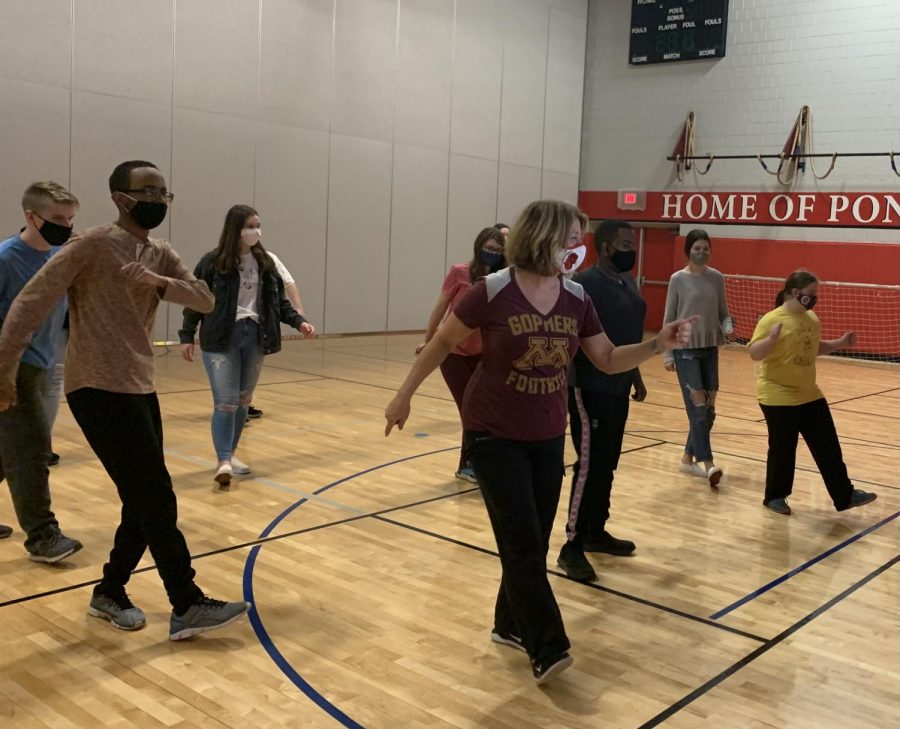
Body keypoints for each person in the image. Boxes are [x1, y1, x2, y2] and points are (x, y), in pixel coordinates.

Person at [385, 200, 694, 684]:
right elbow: (443, 342)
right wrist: (403, 396)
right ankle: (547, 646)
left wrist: (658, 344)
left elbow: (608, 358)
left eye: (580, 239)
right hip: (493, 433)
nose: (578, 247)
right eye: (572, 237)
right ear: (544, 236)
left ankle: (508, 624)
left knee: (530, 540)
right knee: (523, 545)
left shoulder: (576, 298)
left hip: (548, 435)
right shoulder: (492, 291)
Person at [0, 160, 250, 639]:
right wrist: (4, 370)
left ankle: (110, 592)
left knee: (141, 499)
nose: (157, 200)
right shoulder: (91, 244)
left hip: (140, 384)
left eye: (163, 192)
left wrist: (158, 282)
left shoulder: (159, 252)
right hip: (95, 386)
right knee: (156, 495)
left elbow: (203, 300)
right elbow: (29, 303)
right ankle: (186, 601)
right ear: (120, 197)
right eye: (147, 191)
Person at [179, 205, 315, 485]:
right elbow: (195, 300)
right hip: (221, 337)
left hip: (254, 336)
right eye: (250, 226)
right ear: (236, 229)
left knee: (243, 401)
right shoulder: (213, 262)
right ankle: (223, 460)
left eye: (258, 225)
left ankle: (232, 453)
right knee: (225, 402)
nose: (256, 231)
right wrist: (187, 335)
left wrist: (299, 322)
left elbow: (279, 302)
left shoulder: (265, 263)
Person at [557, 220, 646, 583]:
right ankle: (572, 546)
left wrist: (635, 374)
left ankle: (595, 531)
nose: (631, 249)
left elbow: (625, 335)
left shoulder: (626, 283)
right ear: (607, 247)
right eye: (625, 243)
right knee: (590, 465)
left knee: (607, 463)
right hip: (588, 388)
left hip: (618, 386)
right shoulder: (583, 285)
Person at [747, 269, 877, 515]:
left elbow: (814, 348)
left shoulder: (811, 319)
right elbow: (754, 353)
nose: (815, 298)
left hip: (808, 392)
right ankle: (775, 496)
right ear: (795, 293)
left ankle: (845, 495)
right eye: (811, 293)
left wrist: (840, 343)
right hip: (777, 393)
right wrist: (771, 340)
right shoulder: (772, 319)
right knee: (783, 448)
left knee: (828, 445)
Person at [0, 181, 81, 562]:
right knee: (32, 449)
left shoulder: (61, 256)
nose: (64, 226)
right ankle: (42, 536)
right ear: (30, 216)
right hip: (11, 369)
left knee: (9, 449)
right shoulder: (5, 260)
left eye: (69, 219)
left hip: (44, 363)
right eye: (56, 218)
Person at [416, 227, 506, 482]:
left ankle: (482, 462)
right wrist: (428, 341)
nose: (491, 254)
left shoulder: (502, 279)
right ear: (478, 247)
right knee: (468, 407)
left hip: (485, 355)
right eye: (488, 248)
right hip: (455, 354)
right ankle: (468, 464)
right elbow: (440, 307)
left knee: (484, 408)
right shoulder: (460, 272)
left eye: (497, 251)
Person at [663, 229, 732, 487]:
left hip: (710, 350)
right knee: (699, 409)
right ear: (688, 250)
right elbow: (669, 317)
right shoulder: (677, 279)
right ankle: (708, 463)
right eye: (696, 248)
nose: (701, 252)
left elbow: (724, 312)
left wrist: (727, 325)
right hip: (685, 352)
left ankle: (686, 458)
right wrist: (668, 354)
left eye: (706, 248)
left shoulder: (716, 278)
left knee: (708, 410)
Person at [245, 248, 305, 421]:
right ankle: (232, 406)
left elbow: (288, 281)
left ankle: (243, 404)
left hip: (259, 324)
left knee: (251, 367)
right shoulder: (222, 257)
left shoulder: (267, 258)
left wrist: (298, 312)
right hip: (232, 326)